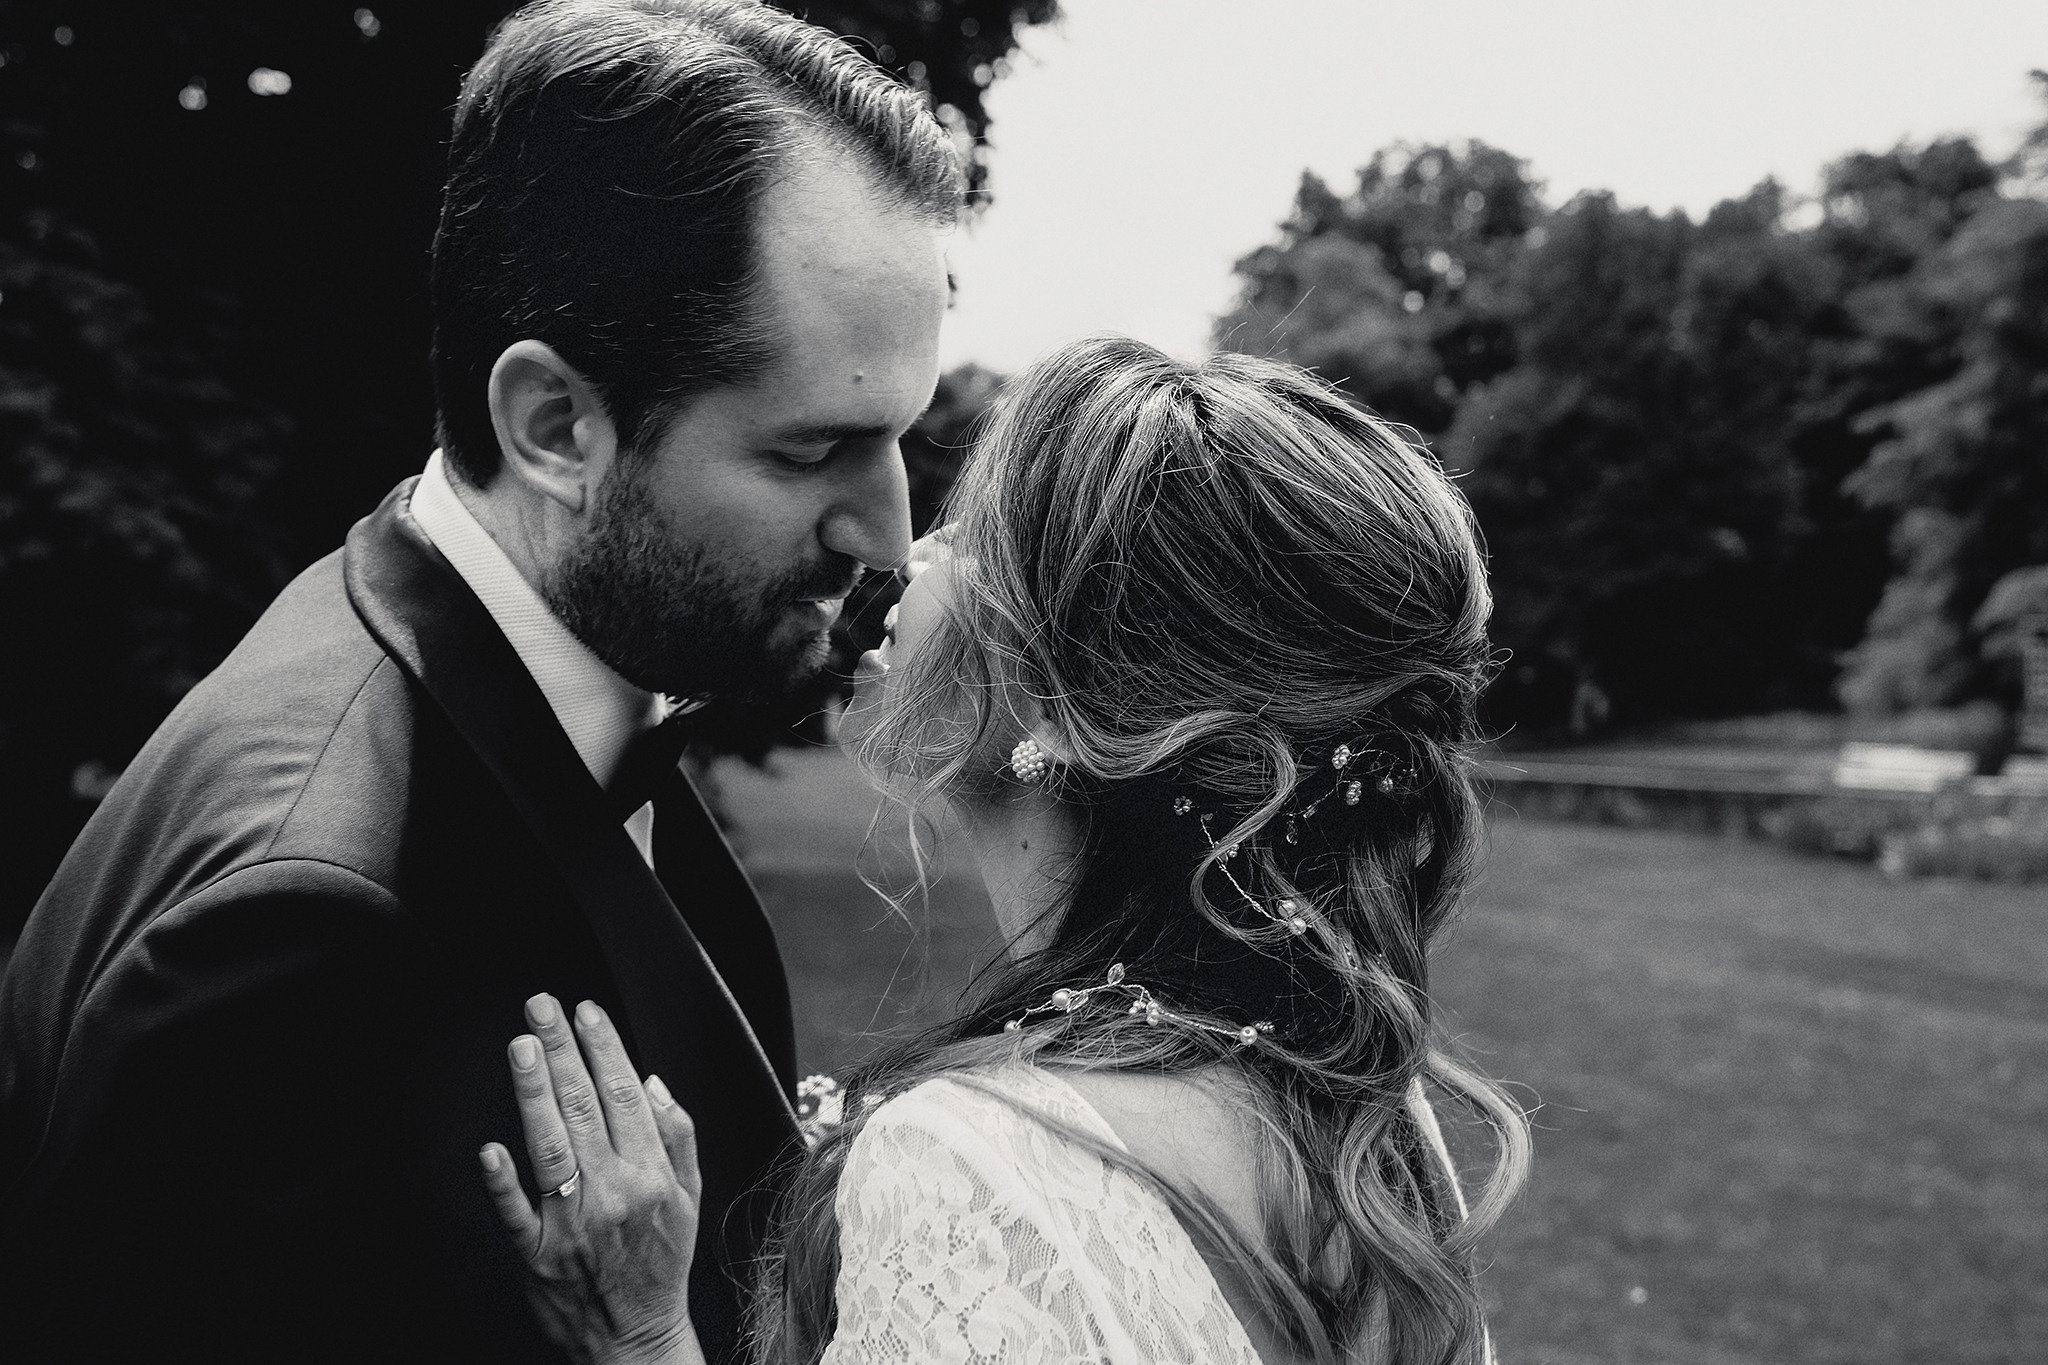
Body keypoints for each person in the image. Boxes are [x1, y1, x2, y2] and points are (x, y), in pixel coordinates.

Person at [0, 3, 955, 1359]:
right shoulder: (309, 924)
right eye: (811, 453)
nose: (886, 532)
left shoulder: (528, 673)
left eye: (901, 438)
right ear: (555, 425)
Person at [478, 337, 1532, 1365]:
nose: (904, 557)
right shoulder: (1372, 1124)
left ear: (1067, 712)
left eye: (968, 532)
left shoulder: (969, 1172)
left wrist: (644, 1336)